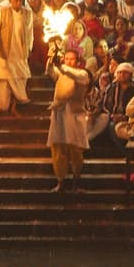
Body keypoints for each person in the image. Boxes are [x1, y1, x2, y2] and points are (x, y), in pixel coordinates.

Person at [47, 49, 90, 192]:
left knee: (76, 151)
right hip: (59, 116)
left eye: (72, 59)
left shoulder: (82, 74)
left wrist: (61, 66)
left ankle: (76, 182)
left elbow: (71, 73)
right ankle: (60, 182)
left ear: (77, 62)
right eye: (66, 59)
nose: (69, 61)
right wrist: (51, 58)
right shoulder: (60, 74)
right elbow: (50, 70)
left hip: (74, 117)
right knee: (58, 150)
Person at [0, 0, 34, 119]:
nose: (18, 3)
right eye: (15, 1)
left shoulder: (27, 13)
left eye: (20, 0)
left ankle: (17, 105)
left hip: (20, 54)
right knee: (3, 79)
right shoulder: (3, 12)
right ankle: (2, 108)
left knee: (19, 79)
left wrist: (29, 49)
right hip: (5, 53)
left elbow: (30, 34)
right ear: (10, 1)